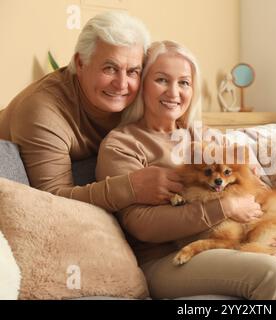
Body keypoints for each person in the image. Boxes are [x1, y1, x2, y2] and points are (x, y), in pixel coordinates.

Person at [96, 40, 276, 300]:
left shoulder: (204, 135)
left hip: (231, 242)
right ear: (142, 84)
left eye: (184, 82)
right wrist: (224, 208)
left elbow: (256, 190)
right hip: (165, 259)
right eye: (162, 80)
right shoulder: (122, 144)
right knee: (275, 275)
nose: (174, 92)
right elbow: (142, 226)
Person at [0, 11, 184, 212]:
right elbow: (53, 199)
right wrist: (132, 187)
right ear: (80, 63)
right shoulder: (42, 110)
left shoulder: (141, 94)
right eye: (110, 68)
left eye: (132, 71)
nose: (122, 84)